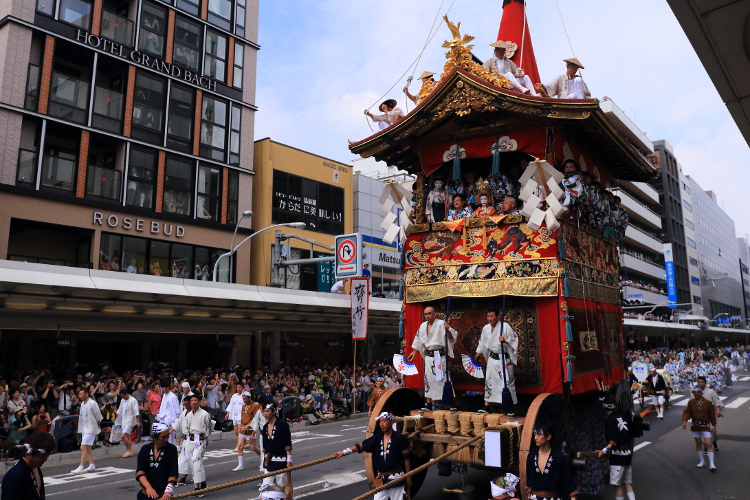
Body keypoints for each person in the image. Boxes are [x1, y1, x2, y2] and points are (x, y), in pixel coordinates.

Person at [333, 412, 411, 500]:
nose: (381, 424)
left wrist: (408, 476)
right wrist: (344, 452)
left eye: (384, 421)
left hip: (396, 478)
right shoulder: (377, 437)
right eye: (380, 421)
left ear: (392, 422)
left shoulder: (400, 438)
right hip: (381, 479)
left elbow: (406, 458)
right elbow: (362, 446)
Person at [407, 306, 458, 411]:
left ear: (435, 314)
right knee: (428, 381)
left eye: (429, 313)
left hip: (439, 356)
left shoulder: (441, 324)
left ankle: (450, 404)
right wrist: (414, 351)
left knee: (443, 380)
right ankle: (429, 404)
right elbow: (419, 340)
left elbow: (452, 338)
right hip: (429, 357)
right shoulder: (422, 326)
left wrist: (447, 329)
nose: (427, 316)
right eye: (425, 314)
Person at [475, 308, 519, 416]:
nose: (490, 319)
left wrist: (505, 341)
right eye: (488, 316)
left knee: (507, 383)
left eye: (492, 316)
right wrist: (478, 353)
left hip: (503, 359)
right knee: (489, 382)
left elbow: (515, 340)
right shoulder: (486, 328)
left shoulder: (505, 327)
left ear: (498, 316)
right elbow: (482, 341)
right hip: (492, 359)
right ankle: (487, 406)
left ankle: (510, 408)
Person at [525, 422, 579, 500]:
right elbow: (529, 480)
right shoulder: (532, 455)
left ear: (548, 437)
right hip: (535, 497)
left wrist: (573, 497)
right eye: (534, 434)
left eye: (539, 435)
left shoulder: (560, 457)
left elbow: (569, 482)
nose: (535, 438)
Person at [596, 394, 635, 500]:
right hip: (627, 454)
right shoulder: (620, 417)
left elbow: (613, 441)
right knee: (627, 483)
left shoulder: (609, 421)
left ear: (604, 406)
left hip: (618, 456)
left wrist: (603, 451)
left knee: (617, 485)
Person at [1, 431, 55, 500]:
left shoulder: (35, 468)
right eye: (42, 456)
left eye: (47, 456)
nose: (45, 460)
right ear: (28, 454)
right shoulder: (14, 476)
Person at [135, 423, 178, 500]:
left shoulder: (171, 449)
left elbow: (173, 472)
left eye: (168, 436)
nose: (166, 439)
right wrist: (148, 487)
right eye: (163, 437)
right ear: (154, 437)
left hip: (163, 496)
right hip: (146, 495)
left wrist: (168, 490)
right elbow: (140, 471)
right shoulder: (145, 449)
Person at [259, 404, 293, 500]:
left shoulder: (282, 425)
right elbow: (265, 447)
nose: (265, 414)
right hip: (269, 461)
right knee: (266, 488)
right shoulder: (265, 427)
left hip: (281, 460)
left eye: (267, 411)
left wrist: (289, 460)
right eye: (264, 411)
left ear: (274, 412)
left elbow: (287, 443)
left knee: (281, 487)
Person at [181, 395, 212, 496]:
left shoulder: (204, 414)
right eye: (192, 401)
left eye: (195, 400)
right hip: (191, 440)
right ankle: (202, 484)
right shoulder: (189, 415)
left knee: (197, 463)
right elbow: (186, 427)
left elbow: (209, 426)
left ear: (199, 402)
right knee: (192, 463)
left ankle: (197, 488)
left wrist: (207, 437)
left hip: (200, 440)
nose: (193, 402)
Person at [682, 385, 717, 472]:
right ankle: (702, 461)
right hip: (695, 425)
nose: (694, 394)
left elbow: (712, 415)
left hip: (706, 425)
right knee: (698, 443)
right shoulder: (691, 402)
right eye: (693, 392)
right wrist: (685, 421)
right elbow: (687, 412)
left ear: (701, 392)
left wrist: (714, 425)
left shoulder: (708, 403)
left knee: (708, 443)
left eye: (695, 392)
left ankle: (712, 464)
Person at [71, 388, 102, 474]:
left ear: (86, 394)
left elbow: (98, 416)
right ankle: (91, 465)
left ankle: (81, 466)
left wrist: (98, 425)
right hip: (84, 427)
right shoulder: (82, 404)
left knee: (83, 447)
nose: (79, 396)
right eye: (79, 394)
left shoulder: (93, 403)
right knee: (88, 447)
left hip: (91, 428)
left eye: (81, 394)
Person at [692, 376, 722, 453]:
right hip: (698, 416)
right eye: (698, 382)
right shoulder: (694, 392)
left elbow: (717, 401)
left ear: (705, 383)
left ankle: (714, 443)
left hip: (709, 416)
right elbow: (690, 403)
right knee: (702, 432)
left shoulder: (711, 392)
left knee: (712, 432)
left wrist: (718, 410)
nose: (699, 383)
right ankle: (706, 445)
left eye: (701, 382)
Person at [233, 391, 261, 472]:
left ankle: (263, 459)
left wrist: (247, 426)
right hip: (243, 428)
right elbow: (242, 417)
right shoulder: (243, 406)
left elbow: (255, 418)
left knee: (253, 447)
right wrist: (241, 426)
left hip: (251, 428)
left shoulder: (255, 406)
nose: (244, 400)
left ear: (249, 398)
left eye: (245, 398)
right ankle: (240, 465)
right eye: (243, 398)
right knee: (240, 447)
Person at [117, 388, 140, 457]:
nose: (122, 398)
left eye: (123, 396)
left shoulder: (133, 400)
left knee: (123, 435)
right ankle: (129, 450)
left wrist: (138, 421)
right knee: (127, 436)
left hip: (130, 420)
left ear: (126, 394)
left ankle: (128, 450)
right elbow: (120, 410)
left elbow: (136, 411)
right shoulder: (122, 400)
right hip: (124, 420)